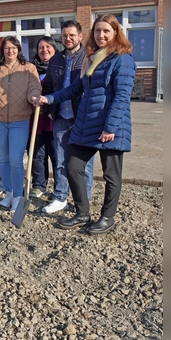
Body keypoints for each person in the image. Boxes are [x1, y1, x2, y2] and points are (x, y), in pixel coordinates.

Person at [34, 15, 136, 234]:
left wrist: (110, 127)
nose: (101, 35)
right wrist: (49, 99)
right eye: (98, 31)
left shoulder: (122, 59)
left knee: (111, 175)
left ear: (116, 33)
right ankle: (82, 213)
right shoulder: (94, 58)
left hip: (111, 127)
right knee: (73, 166)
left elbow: (121, 96)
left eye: (106, 31)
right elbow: (75, 89)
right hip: (87, 124)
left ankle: (107, 218)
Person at [0, 36, 42, 212]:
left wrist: (34, 97)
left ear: (18, 49)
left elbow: (34, 88)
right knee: (3, 160)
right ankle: (8, 193)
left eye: (13, 48)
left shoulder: (28, 68)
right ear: (2, 50)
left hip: (20, 121)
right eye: (7, 48)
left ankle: (18, 195)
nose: (10, 51)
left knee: (16, 160)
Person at [41, 20, 95, 213]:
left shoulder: (89, 58)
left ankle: (83, 201)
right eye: (64, 35)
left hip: (82, 119)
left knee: (85, 164)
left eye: (72, 35)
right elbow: (48, 85)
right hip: (61, 118)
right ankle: (60, 197)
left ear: (80, 36)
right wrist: (47, 108)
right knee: (61, 160)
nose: (68, 38)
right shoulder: (56, 60)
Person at [29, 37, 62, 200]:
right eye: (41, 47)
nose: (44, 50)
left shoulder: (59, 68)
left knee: (56, 154)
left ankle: (60, 187)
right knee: (37, 154)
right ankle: (39, 184)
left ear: (54, 49)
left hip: (53, 118)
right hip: (36, 119)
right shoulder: (31, 69)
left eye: (48, 47)